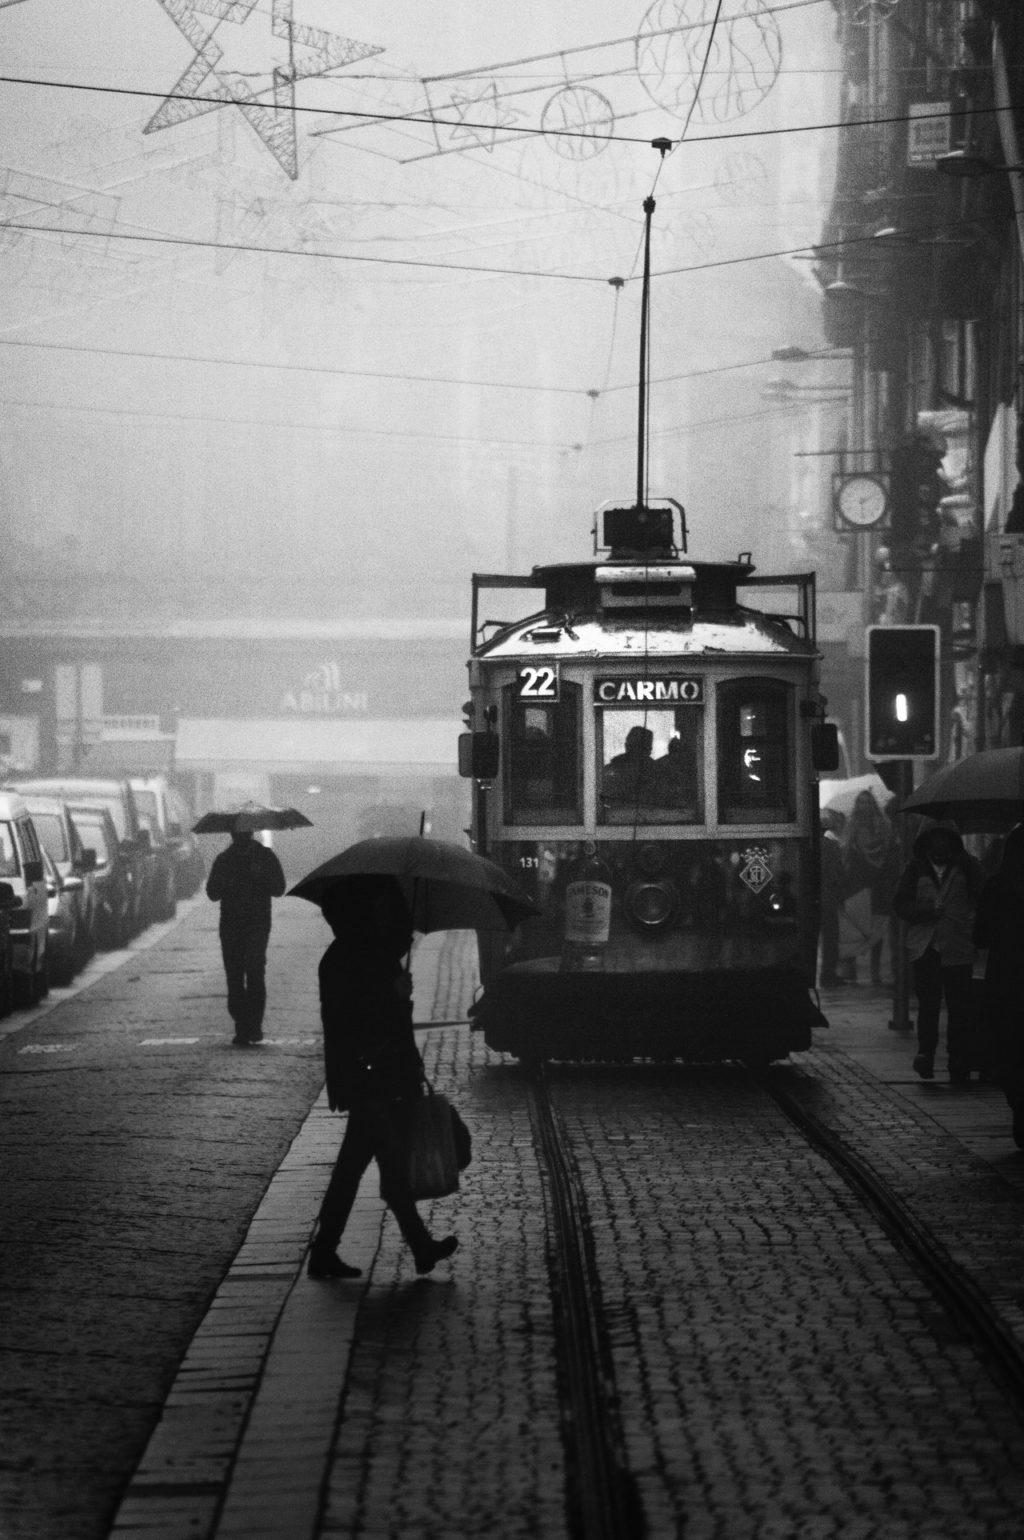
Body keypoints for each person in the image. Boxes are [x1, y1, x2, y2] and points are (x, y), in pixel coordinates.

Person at [307, 876, 458, 1280]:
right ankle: (419, 1246)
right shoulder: (349, 958)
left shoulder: (366, 953)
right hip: (368, 1076)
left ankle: (325, 1251)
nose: (387, 916)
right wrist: (393, 996)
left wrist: (398, 995)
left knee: (354, 1166)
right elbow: (353, 1020)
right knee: (389, 1164)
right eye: (380, 908)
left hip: (376, 1075)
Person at [891, 821, 984, 1084]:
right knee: (929, 1006)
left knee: (959, 1009)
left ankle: (958, 1059)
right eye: (936, 838)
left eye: (946, 838)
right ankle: (926, 1055)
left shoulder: (968, 867)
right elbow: (900, 904)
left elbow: (982, 898)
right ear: (927, 842)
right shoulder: (915, 869)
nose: (940, 844)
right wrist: (926, 911)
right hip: (925, 947)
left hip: (959, 946)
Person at [205, 829, 286, 1046]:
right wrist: (226, 882)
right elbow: (212, 893)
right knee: (235, 976)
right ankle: (242, 1025)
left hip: (257, 923)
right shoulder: (224, 860)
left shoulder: (265, 857)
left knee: (254, 969)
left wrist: (260, 875)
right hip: (231, 925)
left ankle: (253, 1025)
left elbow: (279, 888)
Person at [972, 826, 1024, 1147]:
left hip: (1007, 977)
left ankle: (1019, 1103)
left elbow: (981, 936)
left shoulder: (996, 886)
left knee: (1010, 1045)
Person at [842, 789, 899, 985]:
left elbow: (892, 854)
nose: (864, 806)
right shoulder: (851, 829)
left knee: (877, 930)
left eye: (867, 802)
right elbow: (846, 858)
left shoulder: (884, 828)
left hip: (880, 885)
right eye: (861, 802)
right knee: (856, 929)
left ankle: (875, 972)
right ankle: (851, 970)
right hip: (858, 885)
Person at [818, 808, 847, 989]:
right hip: (828, 897)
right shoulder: (831, 846)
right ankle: (828, 974)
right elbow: (838, 874)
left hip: (813, 896)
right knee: (830, 939)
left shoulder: (805, 846)